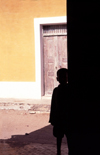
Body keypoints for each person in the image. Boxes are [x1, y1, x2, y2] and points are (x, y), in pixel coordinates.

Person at [49, 68, 68, 155]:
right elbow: (53, 106)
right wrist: (52, 119)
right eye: (61, 77)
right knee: (59, 138)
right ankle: (58, 151)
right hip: (60, 118)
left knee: (64, 137)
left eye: (65, 76)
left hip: (67, 118)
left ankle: (59, 151)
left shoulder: (68, 90)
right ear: (57, 79)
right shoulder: (56, 91)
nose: (63, 78)